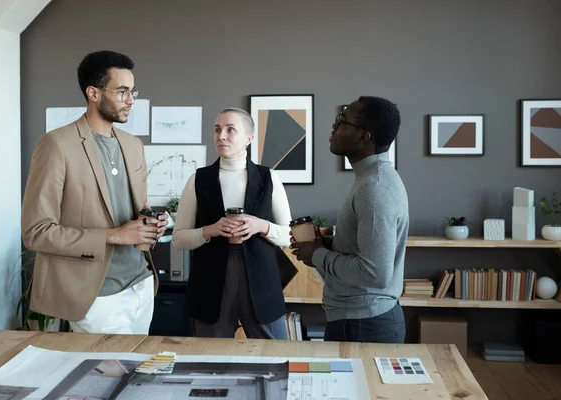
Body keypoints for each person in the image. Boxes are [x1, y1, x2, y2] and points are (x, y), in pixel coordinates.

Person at [21, 50, 168, 334]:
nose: (131, 100)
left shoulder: (133, 145)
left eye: (132, 91)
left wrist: (152, 224)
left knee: (137, 376)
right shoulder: (56, 145)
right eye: (122, 92)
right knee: (106, 377)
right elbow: (36, 232)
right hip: (95, 296)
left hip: (141, 284)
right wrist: (114, 235)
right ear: (93, 93)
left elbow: (138, 208)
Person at [291, 96, 409, 343]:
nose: (334, 127)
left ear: (363, 137)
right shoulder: (370, 179)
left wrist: (317, 255)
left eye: (341, 120)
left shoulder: (374, 189)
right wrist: (328, 244)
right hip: (360, 320)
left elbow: (374, 273)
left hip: (363, 325)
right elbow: (363, 248)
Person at [172, 108, 292, 339]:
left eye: (230, 130)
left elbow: (289, 236)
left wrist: (261, 226)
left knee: (273, 357)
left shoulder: (269, 178)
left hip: (261, 281)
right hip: (209, 283)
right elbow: (178, 239)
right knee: (209, 358)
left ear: (249, 138)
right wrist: (210, 230)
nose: (221, 136)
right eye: (217, 130)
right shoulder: (198, 179)